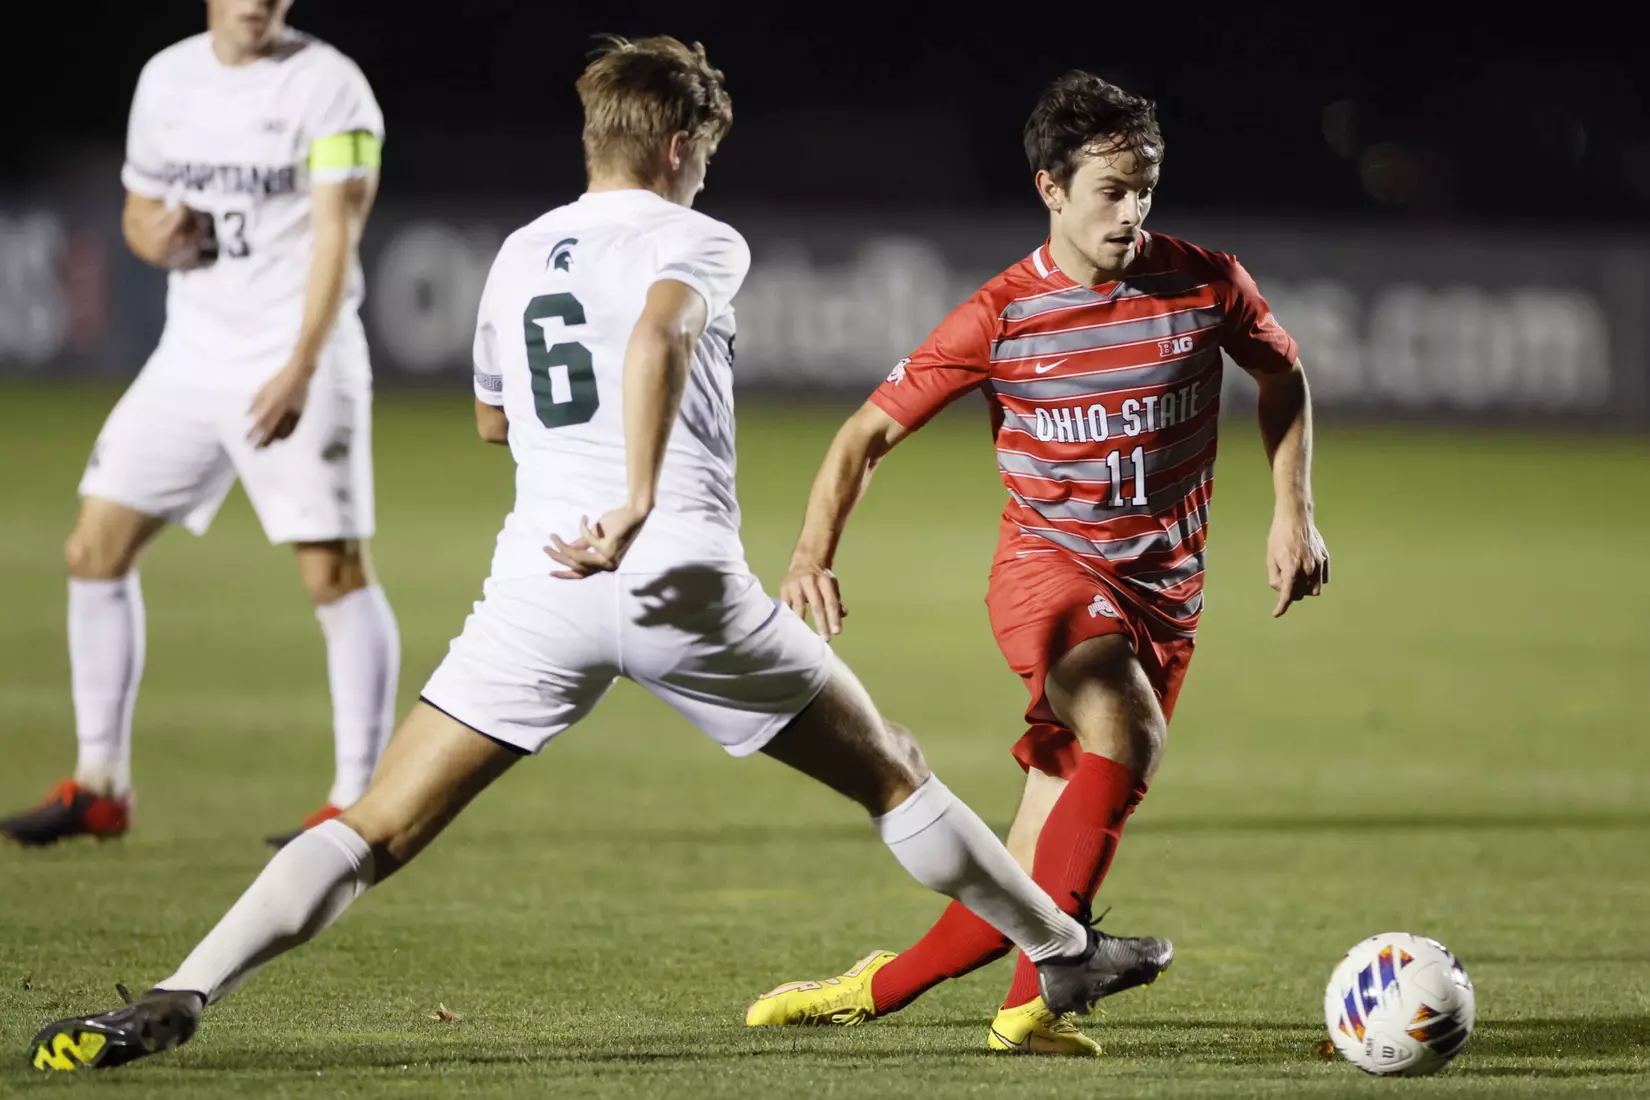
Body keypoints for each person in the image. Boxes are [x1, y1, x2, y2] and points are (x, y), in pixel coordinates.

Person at [27, 36, 1172, 1075]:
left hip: (540, 586)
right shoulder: (698, 236)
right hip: (678, 577)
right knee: (894, 772)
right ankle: (1060, 948)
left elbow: (492, 420)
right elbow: (662, 328)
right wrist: (633, 496)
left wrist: (578, 480)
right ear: (680, 146)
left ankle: (183, 988)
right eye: (707, 152)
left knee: (374, 826)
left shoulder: (520, 251)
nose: (709, 173)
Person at [745, 70, 1330, 1055]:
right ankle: (1051, 987)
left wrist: (1294, 511)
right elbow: (861, 438)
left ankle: (877, 991)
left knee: (1025, 873)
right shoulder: (1002, 316)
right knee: (1125, 723)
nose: (1132, 211)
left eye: (1145, 187)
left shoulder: (1206, 283)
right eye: (1111, 190)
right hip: (1047, 576)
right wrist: (810, 554)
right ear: (1051, 190)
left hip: (1164, 604)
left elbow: (1284, 374)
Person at [1, 0, 398, 850]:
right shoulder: (166, 79)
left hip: (302, 351)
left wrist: (299, 366)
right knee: (93, 551)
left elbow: (339, 237)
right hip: (191, 356)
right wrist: (156, 234)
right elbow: (138, 212)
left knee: (333, 573)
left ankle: (359, 802)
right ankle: (100, 785)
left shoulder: (332, 88)